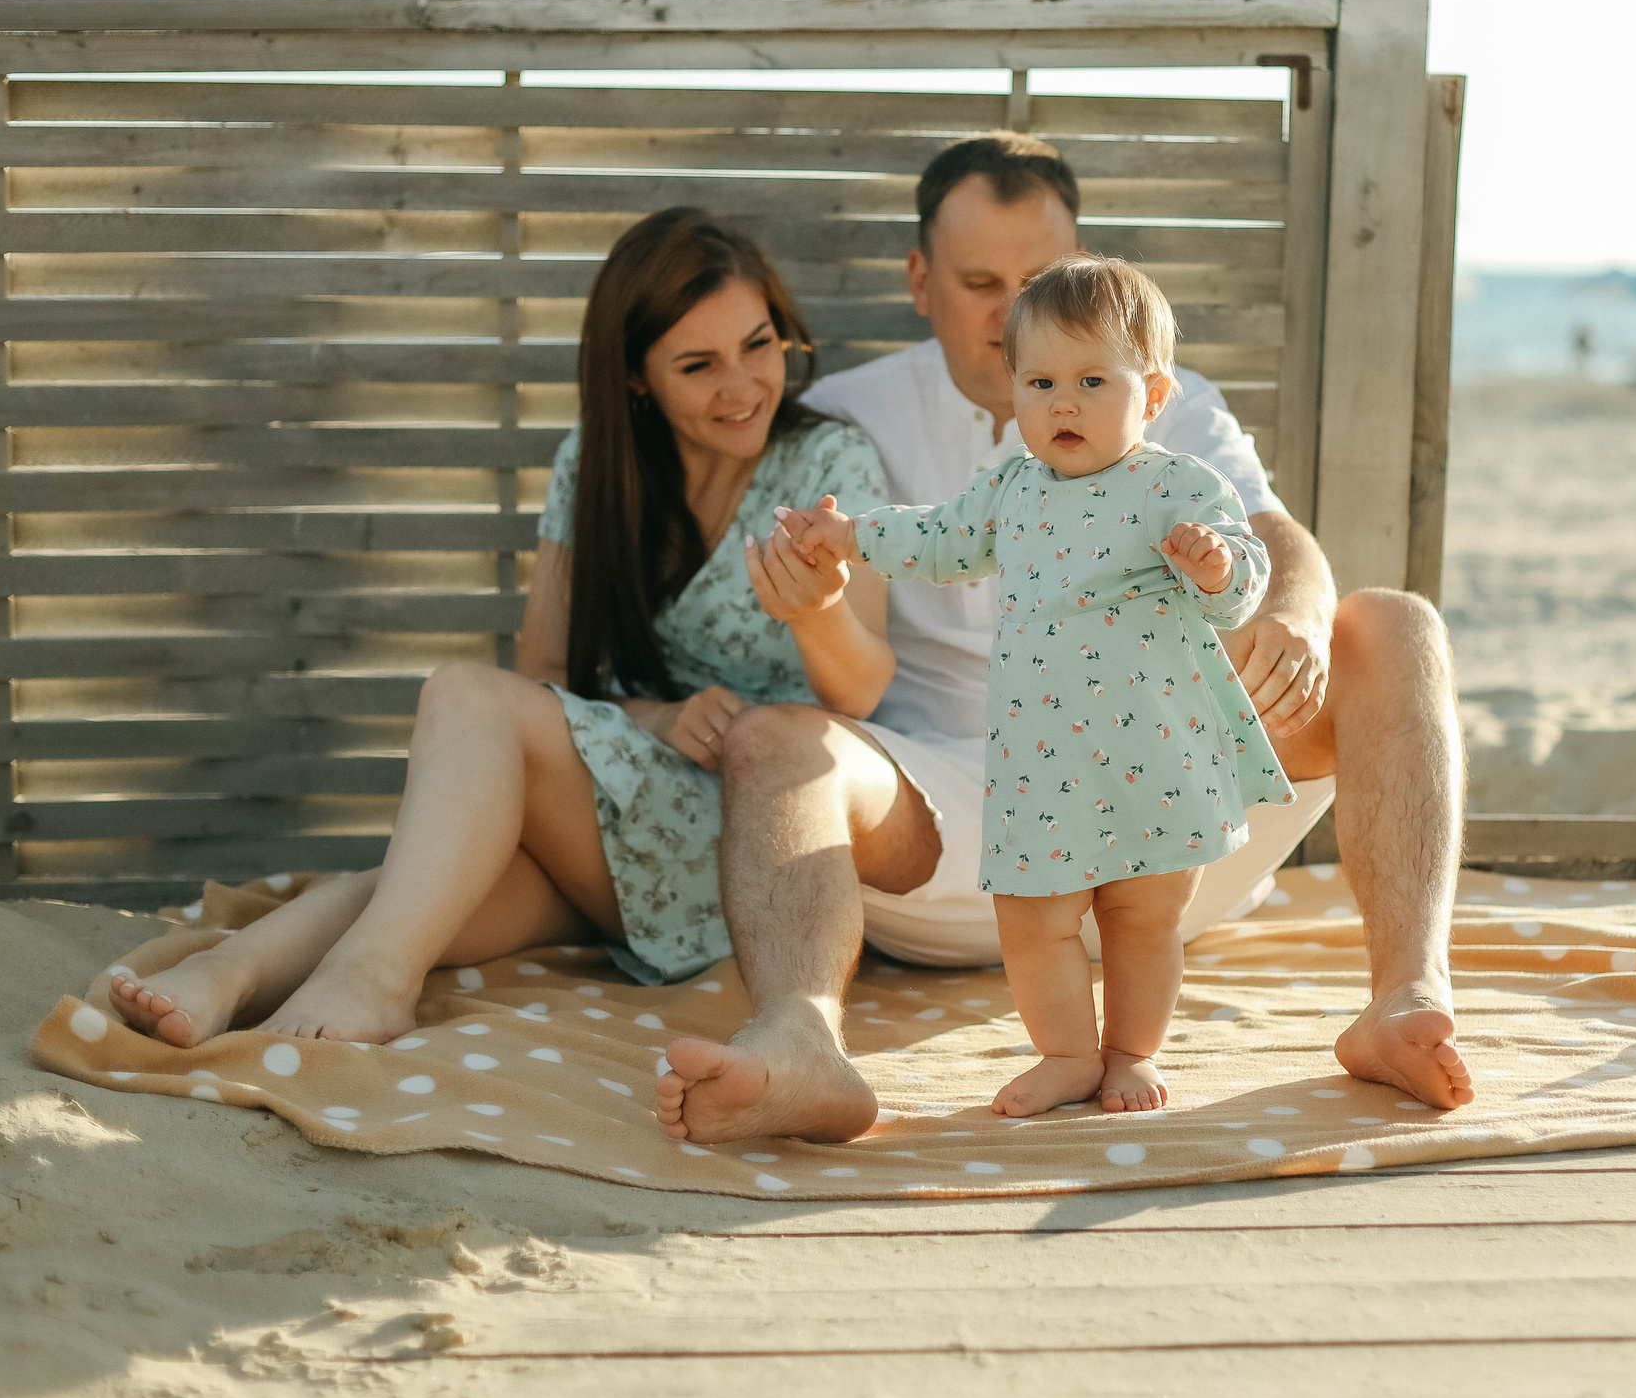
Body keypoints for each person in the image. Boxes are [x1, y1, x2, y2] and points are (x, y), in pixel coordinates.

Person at [654, 134, 1473, 1145]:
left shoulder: (1163, 407)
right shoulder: (838, 420)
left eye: (1039, 279)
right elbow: (891, 550)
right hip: (964, 820)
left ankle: (1402, 1000)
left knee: (1392, 623)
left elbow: (1269, 535)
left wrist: (1286, 616)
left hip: (1165, 797)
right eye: (979, 282)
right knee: (776, 742)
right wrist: (813, 571)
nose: (1012, 312)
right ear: (921, 281)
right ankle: (799, 1046)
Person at [106, 210, 900, 1106]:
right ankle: (232, 972)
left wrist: (818, 610)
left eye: (759, 345)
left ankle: (372, 980)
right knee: (429, 877)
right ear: (637, 379)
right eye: (697, 364)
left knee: (460, 699)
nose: (742, 384)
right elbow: (546, 676)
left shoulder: (831, 462)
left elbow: (863, 691)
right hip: (632, 814)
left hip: (755, 844)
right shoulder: (596, 467)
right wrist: (653, 716)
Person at [781, 255, 1292, 1116]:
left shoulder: (1174, 486)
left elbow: (1248, 575)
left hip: (1155, 750)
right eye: (1041, 380)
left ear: (1154, 395)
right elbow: (935, 541)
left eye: (1094, 380)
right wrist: (850, 534)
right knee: (1032, 914)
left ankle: (1130, 1051)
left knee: (1143, 915)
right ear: (1012, 388)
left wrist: (1215, 567)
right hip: (1043, 755)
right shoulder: (1010, 492)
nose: (1063, 402)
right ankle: (1066, 1053)